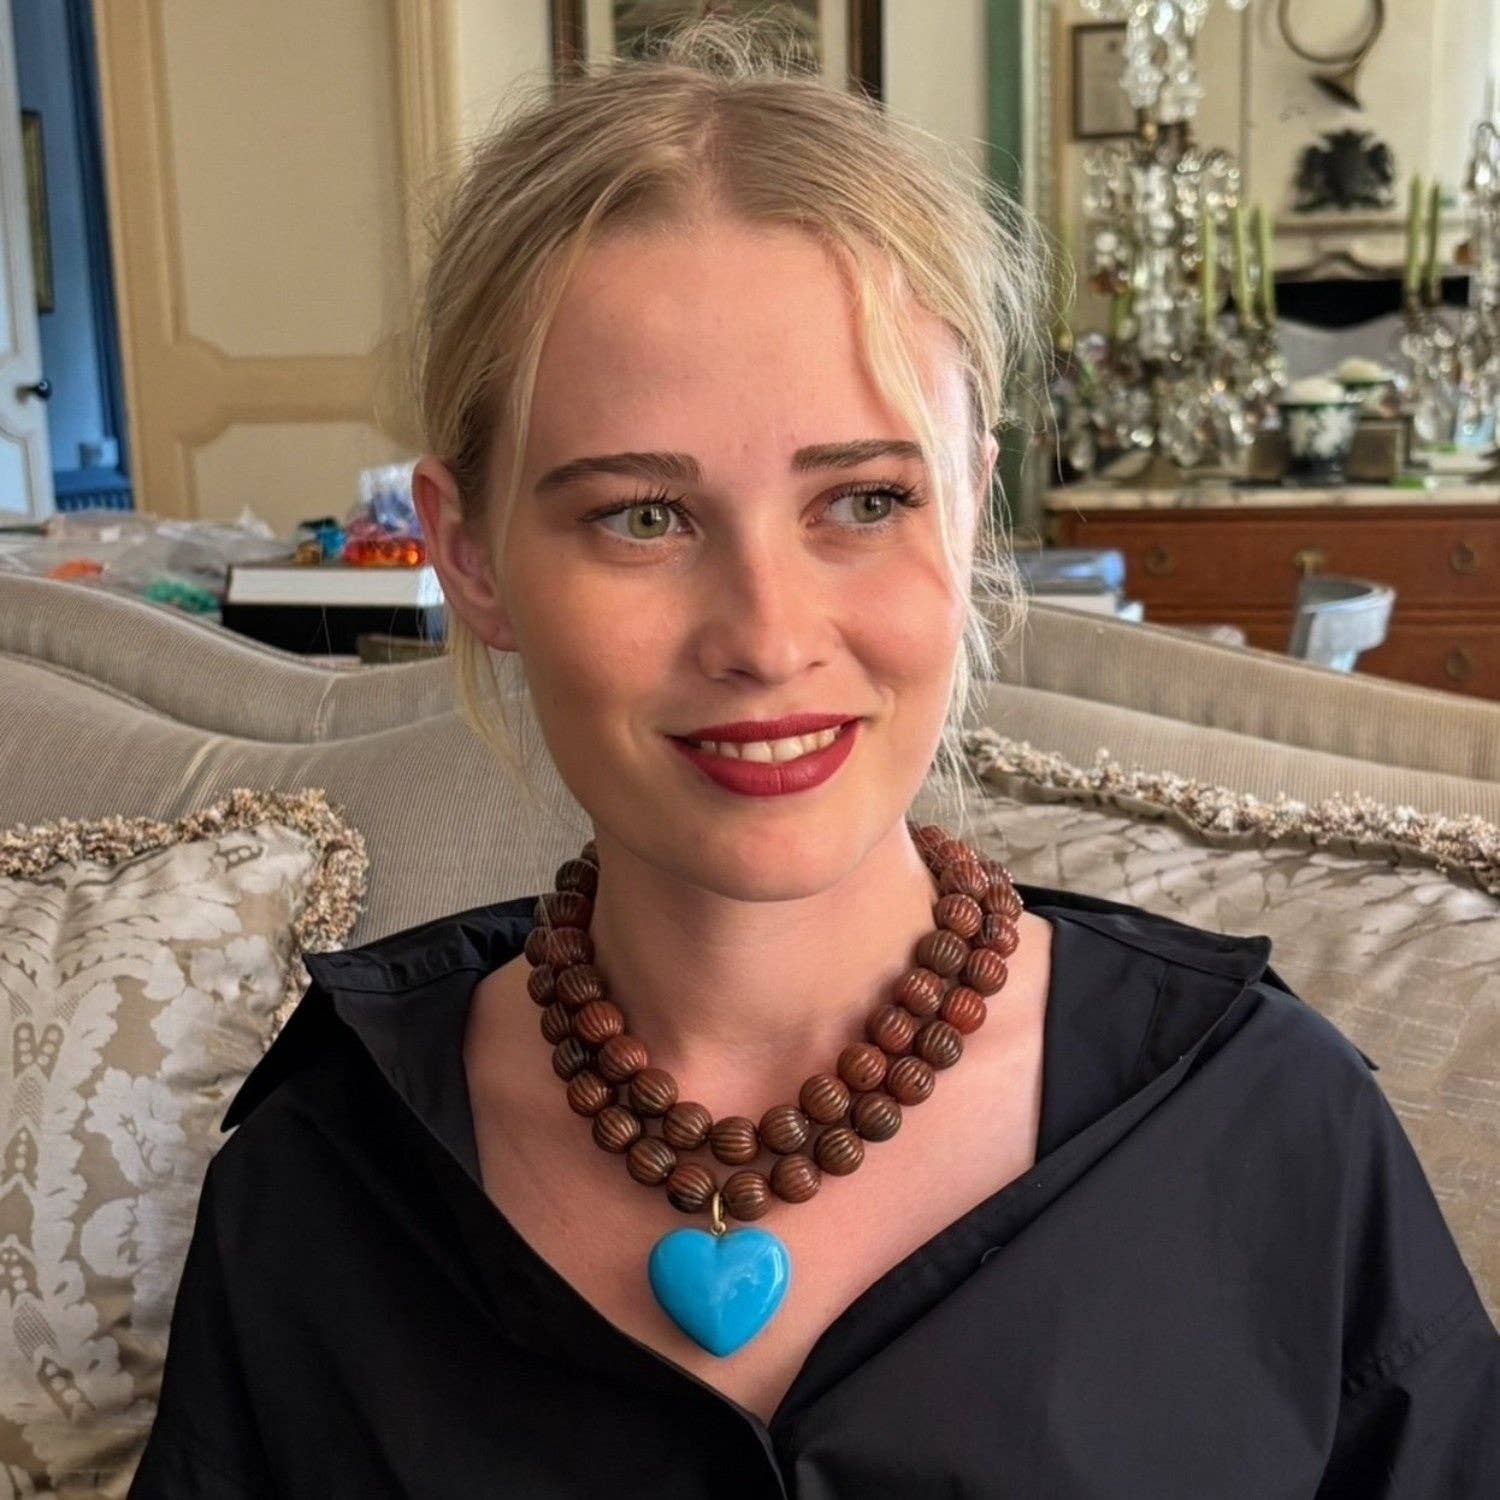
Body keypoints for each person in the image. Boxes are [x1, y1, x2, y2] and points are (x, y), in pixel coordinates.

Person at [129, 14, 1499, 1498]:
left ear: (970, 506)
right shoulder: (324, 1175)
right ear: (467, 554)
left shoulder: (1271, 1127)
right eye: (642, 517)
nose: (768, 639)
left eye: (863, 502)